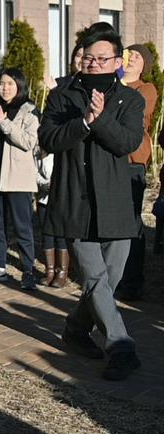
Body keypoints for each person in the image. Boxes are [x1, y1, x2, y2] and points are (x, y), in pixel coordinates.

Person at [39, 26, 143, 381]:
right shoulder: (62, 96)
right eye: (88, 58)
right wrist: (83, 122)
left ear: (116, 61)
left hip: (116, 203)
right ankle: (121, 346)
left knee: (109, 280)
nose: (94, 64)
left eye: (102, 58)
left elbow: (126, 143)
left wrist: (102, 120)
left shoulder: (130, 100)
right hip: (74, 201)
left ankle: (75, 330)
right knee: (96, 278)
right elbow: (49, 139)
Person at [0, 69, 39, 289]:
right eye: (2, 83)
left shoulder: (29, 111)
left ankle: (28, 271)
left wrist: (5, 123)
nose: (5, 88)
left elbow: (28, 142)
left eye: (10, 83)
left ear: (19, 86)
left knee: (23, 227)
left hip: (18, 178)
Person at [116, 44, 158, 301]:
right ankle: (115, 276)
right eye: (128, 54)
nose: (131, 58)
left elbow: (131, 113)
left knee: (131, 221)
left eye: (137, 56)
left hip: (132, 161)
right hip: (110, 161)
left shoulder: (146, 89)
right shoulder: (114, 84)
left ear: (145, 65)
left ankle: (132, 281)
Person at [35, 149, 69, 288]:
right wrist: (43, 184)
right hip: (44, 198)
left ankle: (62, 272)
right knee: (46, 234)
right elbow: (34, 171)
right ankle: (49, 270)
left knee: (60, 234)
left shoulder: (64, 151)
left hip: (62, 199)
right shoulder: (41, 151)